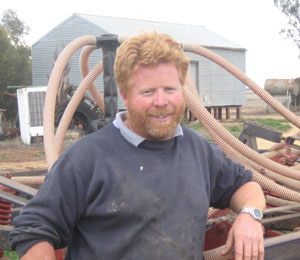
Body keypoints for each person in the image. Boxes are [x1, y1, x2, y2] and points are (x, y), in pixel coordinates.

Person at [9, 31, 266, 260]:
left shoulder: (198, 151)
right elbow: (34, 228)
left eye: (170, 89)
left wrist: (250, 216)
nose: (162, 101)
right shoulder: (86, 159)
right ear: (125, 94)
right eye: (148, 92)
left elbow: (246, 186)